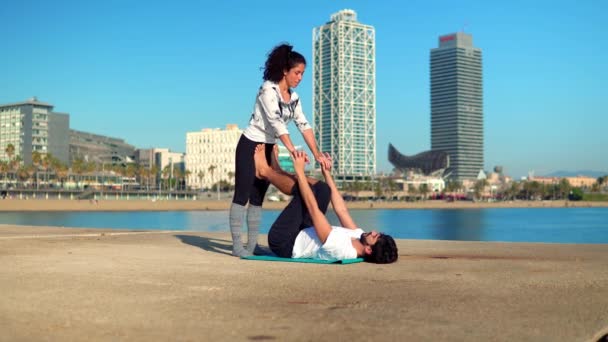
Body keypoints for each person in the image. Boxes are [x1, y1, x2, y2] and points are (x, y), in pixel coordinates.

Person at [229, 43, 330, 257]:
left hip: (268, 147)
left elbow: (304, 125)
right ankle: (238, 246)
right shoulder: (268, 89)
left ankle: (253, 244)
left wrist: (317, 153)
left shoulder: (294, 99)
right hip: (250, 144)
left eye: (303, 73)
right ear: (285, 71)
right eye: (297, 72)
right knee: (242, 195)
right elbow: (276, 123)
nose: (300, 77)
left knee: (258, 198)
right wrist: (293, 150)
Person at [253, 144, 399, 263]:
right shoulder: (359, 236)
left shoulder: (341, 249)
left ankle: (264, 171)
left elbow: (313, 209)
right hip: (303, 230)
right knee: (323, 189)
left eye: (375, 236)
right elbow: (341, 210)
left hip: (284, 241)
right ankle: (277, 172)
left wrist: (300, 171)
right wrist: (326, 173)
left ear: (368, 250)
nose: (373, 232)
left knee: (307, 190)